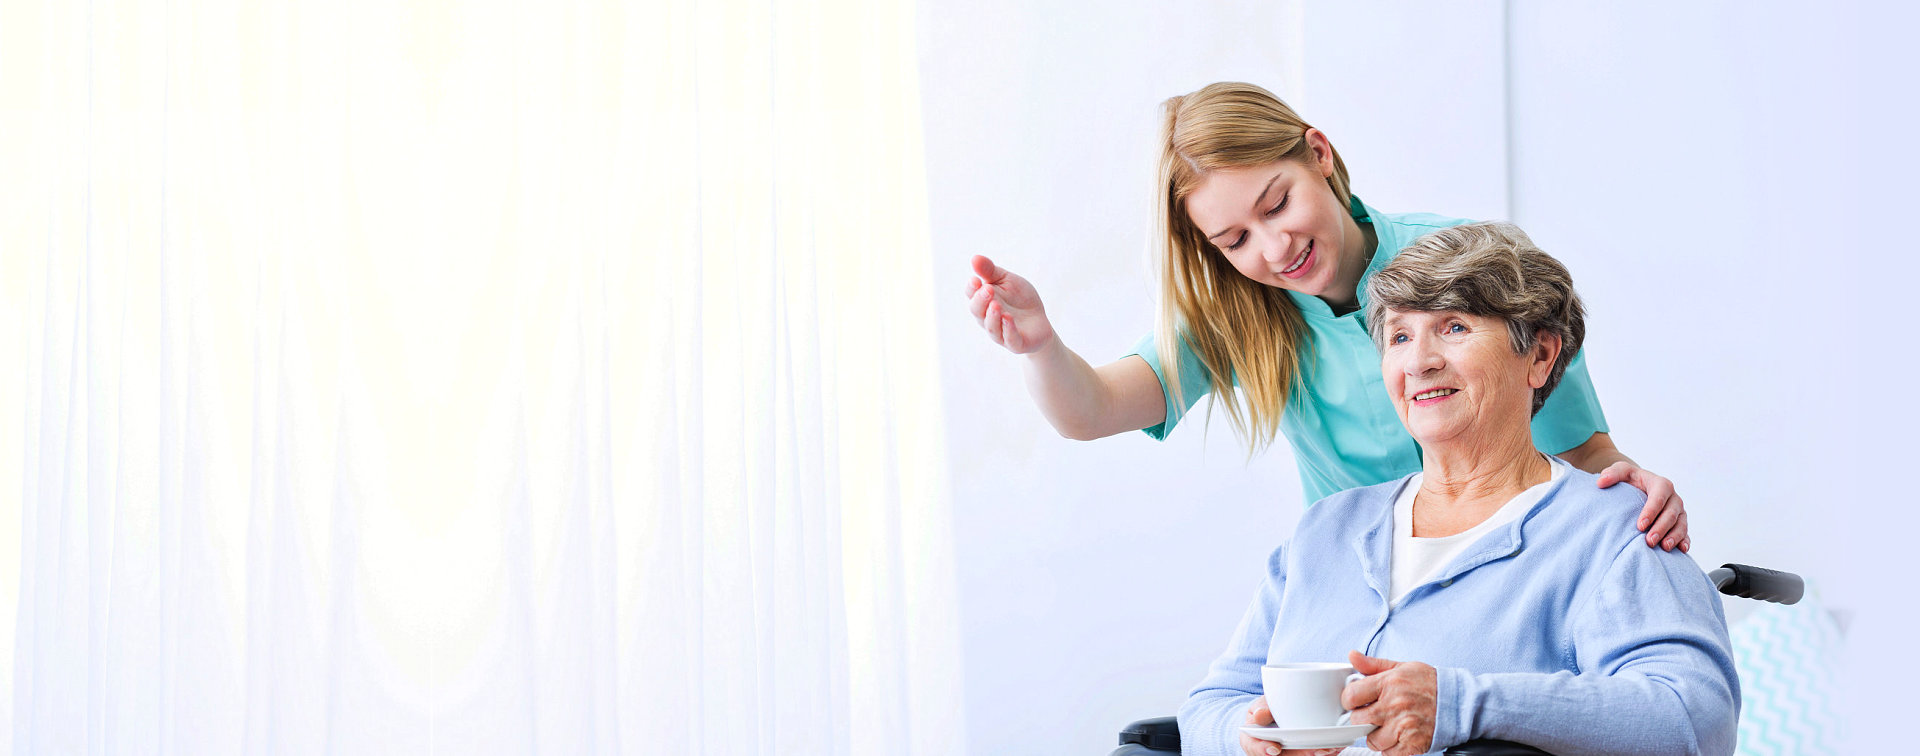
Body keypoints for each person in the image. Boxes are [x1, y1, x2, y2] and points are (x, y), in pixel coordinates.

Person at [963, 82, 1689, 551]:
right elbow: (1090, 410)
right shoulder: (1242, 315)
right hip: (1368, 582)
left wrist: (1642, 492)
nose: (1275, 248)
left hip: (1513, 559)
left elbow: (1585, 453)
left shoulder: (1473, 266)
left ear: (1319, 153)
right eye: (1235, 240)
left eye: (1277, 203)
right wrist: (1040, 347)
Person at [1179, 223, 1737, 756]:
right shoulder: (1326, 530)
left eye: (1454, 327)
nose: (1419, 361)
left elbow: (1692, 719)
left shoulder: (1615, 529)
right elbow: (1212, 705)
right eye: (1399, 336)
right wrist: (1246, 739)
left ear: (1540, 355)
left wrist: (1463, 703)